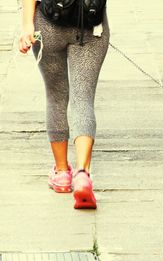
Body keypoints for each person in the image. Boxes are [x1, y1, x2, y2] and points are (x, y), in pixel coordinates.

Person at [19, 0, 110, 209]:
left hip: (48, 23)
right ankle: (82, 174)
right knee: (83, 99)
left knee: (56, 96)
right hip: (90, 24)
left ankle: (61, 173)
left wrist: (27, 26)